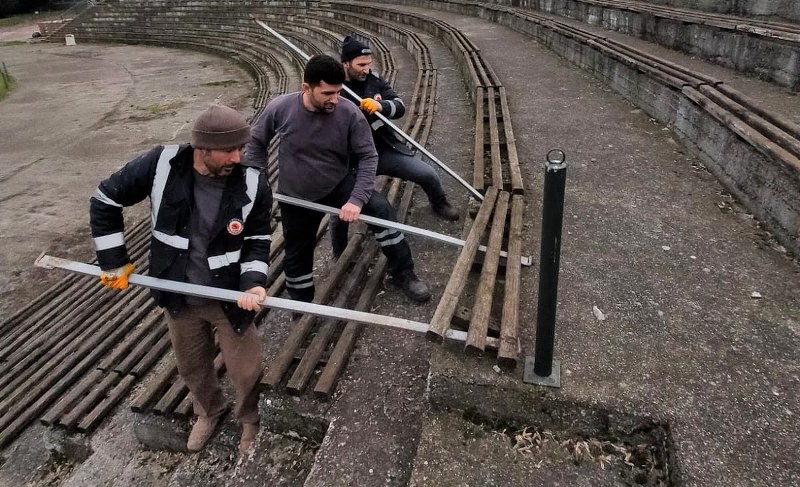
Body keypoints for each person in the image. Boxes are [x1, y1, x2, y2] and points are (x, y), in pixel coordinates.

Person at [89, 104, 272, 455]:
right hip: (178, 294)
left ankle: (249, 419)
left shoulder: (252, 182)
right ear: (202, 148)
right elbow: (104, 200)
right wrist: (113, 261)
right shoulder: (160, 164)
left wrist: (253, 283)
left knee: (246, 370)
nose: (238, 156)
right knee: (191, 364)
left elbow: (258, 238)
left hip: (229, 296)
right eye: (229, 150)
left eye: (242, 148)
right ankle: (209, 411)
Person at [244, 54, 431, 304]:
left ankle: (404, 273)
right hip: (295, 194)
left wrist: (356, 199)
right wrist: (258, 179)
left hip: (337, 183)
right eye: (327, 93)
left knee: (382, 210)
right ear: (306, 88)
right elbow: (256, 143)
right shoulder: (280, 108)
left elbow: (368, 156)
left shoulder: (348, 112)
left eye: (338, 92)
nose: (335, 99)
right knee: (297, 254)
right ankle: (301, 301)